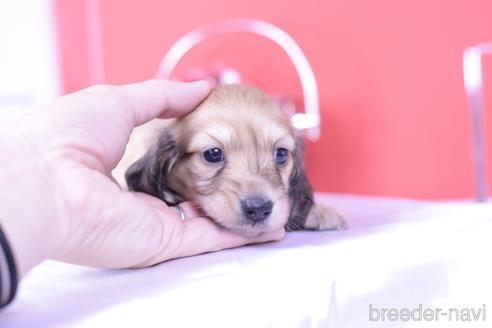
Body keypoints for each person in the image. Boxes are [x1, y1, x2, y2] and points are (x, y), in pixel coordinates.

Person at [0, 79, 285, 309]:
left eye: (280, 153)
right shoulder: (148, 154)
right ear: (165, 160)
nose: (257, 198)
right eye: (213, 154)